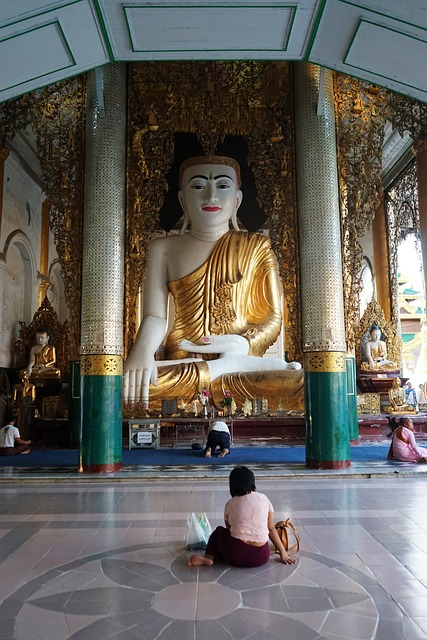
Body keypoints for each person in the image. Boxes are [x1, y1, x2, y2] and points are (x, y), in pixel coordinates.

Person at [123, 155, 304, 411]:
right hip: (185, 364)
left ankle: (222, 370)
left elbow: (272, 319)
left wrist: (241, 344)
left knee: (303, 384)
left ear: (237, 199)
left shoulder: (257, 246)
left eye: (222, 186)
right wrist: (141, 351)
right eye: (198, 186)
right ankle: (216, 372)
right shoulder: (162, 248)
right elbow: (155, 315)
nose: (211, 197)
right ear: (183, 199)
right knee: (122, 386)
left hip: (242, 361)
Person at [187, 465, 296, 567]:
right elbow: (271, 528)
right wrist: (282, 551)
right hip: (262, 556)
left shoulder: (230, 503)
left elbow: (230, 530)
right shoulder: (264, 498)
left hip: (237, 556)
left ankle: (209, 558)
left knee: (219, 532)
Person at [12, 372, 36, 439]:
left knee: (31, 413)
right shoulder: (16, 386)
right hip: (18, 405)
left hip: (28, 406)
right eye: (21, 378)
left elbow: (33, 399)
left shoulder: (31, 386)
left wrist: (25, 404)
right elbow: (14, 399)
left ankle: (27, 434)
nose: (22, 380)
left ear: (27, 378)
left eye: (24, 379)